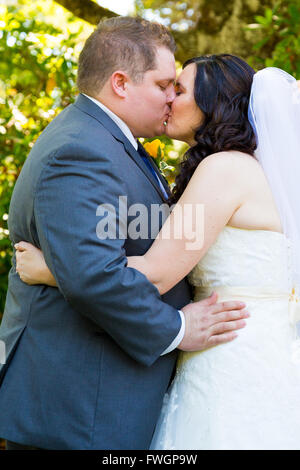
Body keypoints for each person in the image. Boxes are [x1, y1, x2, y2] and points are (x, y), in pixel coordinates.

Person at [17, 54, 300, 450]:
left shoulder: (223, 169)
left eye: (179, 90)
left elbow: (159, 271)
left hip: (231, 355)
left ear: (213, 103)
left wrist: (51, 269)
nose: (168, 98)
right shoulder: (250, 168)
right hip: (264, 348)